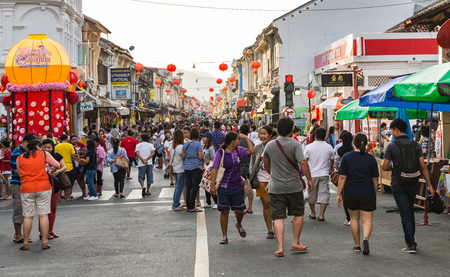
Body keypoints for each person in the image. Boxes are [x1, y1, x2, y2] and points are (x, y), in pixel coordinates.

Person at [383, 118, 435, 254]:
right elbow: (423, 166)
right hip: (413, 182)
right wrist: (430, 185)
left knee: (404, 212)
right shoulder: (415, 145)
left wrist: (396, 167)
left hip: (398, 183)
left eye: (391, 130)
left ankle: (411, 244)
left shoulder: (392, 146)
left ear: (395, 130)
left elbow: (385, 167)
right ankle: (411, 241)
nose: (391, 133)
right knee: (409, 211)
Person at [263, 117, 313, 257]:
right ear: (292, 130)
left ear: (277, 130)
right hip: (294, 187)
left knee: (278, 217)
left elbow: (266, 164)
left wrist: (274, 174)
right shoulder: (295, 144)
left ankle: (280, 247)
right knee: (298, 214)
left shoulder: (270, 145)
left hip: (275, 187)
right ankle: (296, 243)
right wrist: (309, 180)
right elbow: (302, 163)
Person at [336, 133, 379, 255]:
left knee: (354, 218)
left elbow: (342, 177)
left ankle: (357, 245)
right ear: (366, 144)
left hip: (350, 192)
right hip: (367, 192)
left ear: (352, 144)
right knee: (367, 219)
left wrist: (338, 194)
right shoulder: (370, 158)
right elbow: (375, 179)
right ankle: (366, 238)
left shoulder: (346, 157)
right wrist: (374, 192)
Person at [210, 132, 255, 244]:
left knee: (239, 211)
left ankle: (238, 224)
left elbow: (252, 151)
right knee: (224, 211)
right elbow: (214, 169)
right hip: (224, 187)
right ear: (232, 141)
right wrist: (212, 186)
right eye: (237, 140)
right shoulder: (220, 152)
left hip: (237, 187)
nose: (239, 142)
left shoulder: (239, 150)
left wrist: (246, 138)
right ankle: (224, 236)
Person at [17, 139, 60, 250]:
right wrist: (48, 170)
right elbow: (57, 164)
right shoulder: (43, 155)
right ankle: (45, 241)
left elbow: (20, 172)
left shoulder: (20, 157)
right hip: (43, 186)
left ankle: (25, 243)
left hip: (26, 188)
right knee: (43, 214)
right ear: (38, 146)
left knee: (28, 216)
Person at [249, 125, 275, 239]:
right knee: (266, 204)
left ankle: (276, 224)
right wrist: (252, 175)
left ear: (270, 135)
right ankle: (270, 229)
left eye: (264, 134)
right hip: (261, 179)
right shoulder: (257, 147)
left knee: (274, 204)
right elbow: (252, 163)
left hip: (274, 179)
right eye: (261, 134)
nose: (262, 136)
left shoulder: (275, 146)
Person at [10, 133, 36, 243]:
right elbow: (15, 170)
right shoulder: (17, 153)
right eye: (30, 144)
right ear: (25, 141)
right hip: (17, 184)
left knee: (25, 210)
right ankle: (17, 235)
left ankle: (21, 234)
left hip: (25, 183)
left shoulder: (26, 152)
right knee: (18, 208)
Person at [304, 128, 334, 221]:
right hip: (324, 174)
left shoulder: (309, 147)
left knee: (311, 194)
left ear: (315, 136)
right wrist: (330, 168)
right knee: (324, 193)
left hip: (312, 174)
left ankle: (313, 213)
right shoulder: (329, 147)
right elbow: (332, 159)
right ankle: (321, 215)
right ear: (325, 136)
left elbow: (305, 159)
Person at [40, 138, 66, 240]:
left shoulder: (56, 156)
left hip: (54, 185)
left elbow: (64, 166)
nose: (47, 149)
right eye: (45, 147)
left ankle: (50, 230)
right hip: (43, 185)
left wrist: (58, 171)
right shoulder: (40, 157)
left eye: (49, 147)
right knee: (43, 211)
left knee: (53, 209)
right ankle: (43, 232)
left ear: (53, 147)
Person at [334, 131, 353, 226]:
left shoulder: (339, 150)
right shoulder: (354, 149)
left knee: (345, 196)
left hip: (343, 174)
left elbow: (336, 163)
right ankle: (354, 216)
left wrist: (336, 169)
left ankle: (348, 217)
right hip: (354, 174)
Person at [182, 128, 204, 212]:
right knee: (195, 187)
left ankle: (188, 204)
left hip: (187, 167)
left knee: (189, 186)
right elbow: (200, 156)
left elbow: (183, 156)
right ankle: (191, 206)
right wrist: (203, 159)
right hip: (196, 167)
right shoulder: (198, 144)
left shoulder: (186, 144)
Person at [239, 125, 255, 214]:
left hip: (240, 168)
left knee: (241, 188)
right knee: (249, 188)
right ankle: (250, 207)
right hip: (249, 168)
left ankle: (242, 207)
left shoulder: (237, 142)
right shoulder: (251, 143)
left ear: (240, 131)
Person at [55, 134, 76, 201]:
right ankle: (68, 197)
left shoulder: (57, 146)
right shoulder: (70, 145)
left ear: (60, 139)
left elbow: (55, 156)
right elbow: (73, 156)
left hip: (59, 167)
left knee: (60, 182)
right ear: (67, 139)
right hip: (68, 166)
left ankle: (59, 197)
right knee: (69, 182)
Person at [170, 130, 186, 210]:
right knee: (179, 187)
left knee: (177, 186)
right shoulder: (180, 147)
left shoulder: (172, 146)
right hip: (180, 168)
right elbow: (184, 156)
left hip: (174, 168)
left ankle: (175, 203)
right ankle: (176, 204)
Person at [200, 132, 216, 208]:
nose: (203, 139)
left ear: (208, 139)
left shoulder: (211, 148)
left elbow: (214, 160)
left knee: (210, 185)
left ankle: (216, 201)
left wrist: (205, 161)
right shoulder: (204, 147)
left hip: (209, 169)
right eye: (203, 137)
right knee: (205, 185)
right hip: (204, 168)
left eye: (205, 137)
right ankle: (208, 202)